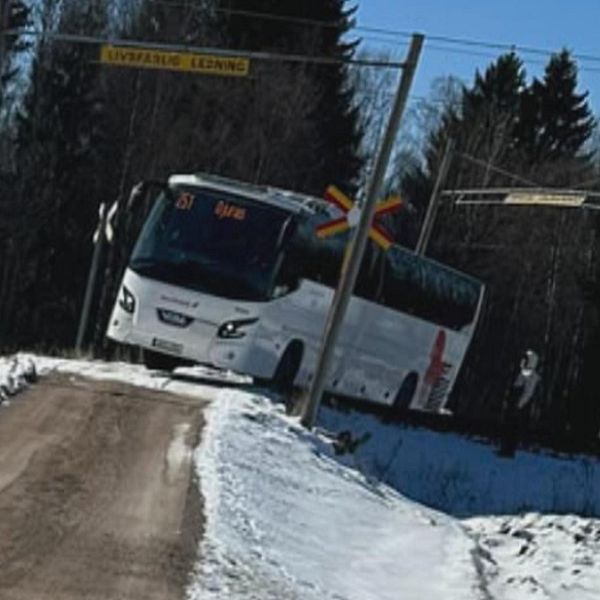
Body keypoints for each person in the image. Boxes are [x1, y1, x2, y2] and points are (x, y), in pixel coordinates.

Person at [499, 349, 540, 457]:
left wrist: (519, 405)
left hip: (520, 406)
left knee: (513, 428)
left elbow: (528, 393)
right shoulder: (522, 373)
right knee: (508, 427)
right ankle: (504, 449)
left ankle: (508, 451)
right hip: (515, 403)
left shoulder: (532, 377)